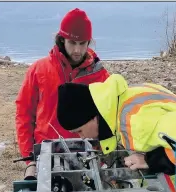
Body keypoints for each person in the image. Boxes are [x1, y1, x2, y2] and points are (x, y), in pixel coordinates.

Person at [15, 8, 110, 180]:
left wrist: (105, 155)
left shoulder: (101, 76)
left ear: (89, 42)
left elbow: (109, 119)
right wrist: (29, 158)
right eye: (72, 43)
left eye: (82, 43)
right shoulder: (39, 70)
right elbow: (24, 114)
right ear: (61, 39)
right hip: (46, 153)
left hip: (87, 155)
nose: (77, 50)